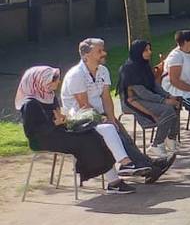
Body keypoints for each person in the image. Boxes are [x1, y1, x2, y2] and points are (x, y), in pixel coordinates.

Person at [19, 66, 166, 193]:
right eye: (54, 79)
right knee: (90, 140)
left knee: (95, 135)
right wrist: (55, 123)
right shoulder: (30, 104)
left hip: (58, 133)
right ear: (40, 81)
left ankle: (115, 180)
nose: (58, 82)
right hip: (44, 140)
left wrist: (62, 120)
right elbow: (31, 132)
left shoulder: (49, 96)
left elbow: (56, 118)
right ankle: (113, 180)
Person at [119, 40, 181, 158]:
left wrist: (168, 95)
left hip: (145, 98)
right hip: (132, 101)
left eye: (149, 49)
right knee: (167, 109)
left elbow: (154, 85)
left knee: (176, 103)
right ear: (138, 52)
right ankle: (156, 145)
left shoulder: (145, 65)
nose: (149, 52)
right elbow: (142, 93)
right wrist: (163, 101)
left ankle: (171, 138)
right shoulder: (128, 69)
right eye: (146, 50)